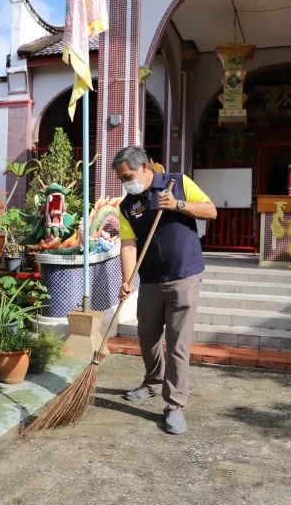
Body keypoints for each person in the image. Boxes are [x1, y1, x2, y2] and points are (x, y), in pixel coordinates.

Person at [113, 145, 217, 435]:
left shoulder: (178, 183)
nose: (126, 183)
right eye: (122, 179)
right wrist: (126, 278)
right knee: (146, 337)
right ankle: (152, 382)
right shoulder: (127, 206)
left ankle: (174, 405)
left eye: (129, 176)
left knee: (177, 345)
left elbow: (211, 211)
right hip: (150, 281)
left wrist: (178, 205)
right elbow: (128, 243)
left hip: (184, 277)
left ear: (145, 167)